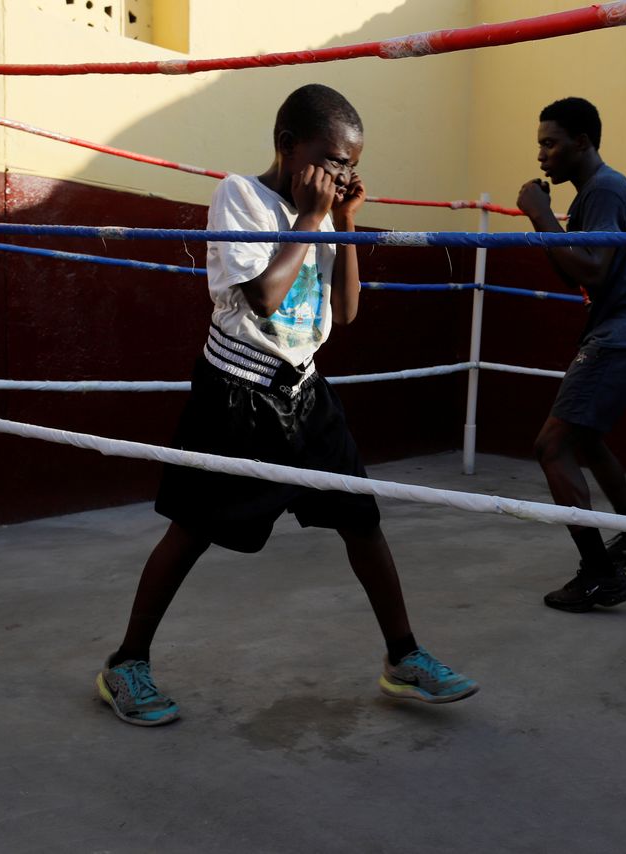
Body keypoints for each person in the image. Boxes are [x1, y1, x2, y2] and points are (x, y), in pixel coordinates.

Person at [95, 84, 478, 726]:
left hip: (305, 392)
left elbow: (347, 312)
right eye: (331, 160)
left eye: (350, 164)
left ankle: (403, 657)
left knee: (363, 521)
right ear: (286, 146)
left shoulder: (325, 213)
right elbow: (263, 301)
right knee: (191, 529)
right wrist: (306, 219)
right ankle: (126, 662)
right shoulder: (241, 196)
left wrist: (345, 223)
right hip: (235, 394)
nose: (341, 175)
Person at [515, 97, 626, 613]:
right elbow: (576, 271)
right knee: (587, 438)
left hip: (625, 328)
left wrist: (540, 215)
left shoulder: (604, 189)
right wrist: (547, 224)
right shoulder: (594, 195)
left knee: (551, 447)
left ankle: (600, 574)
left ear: (581, 142)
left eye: (550, 143)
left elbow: (594, 271)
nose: (542, 155)